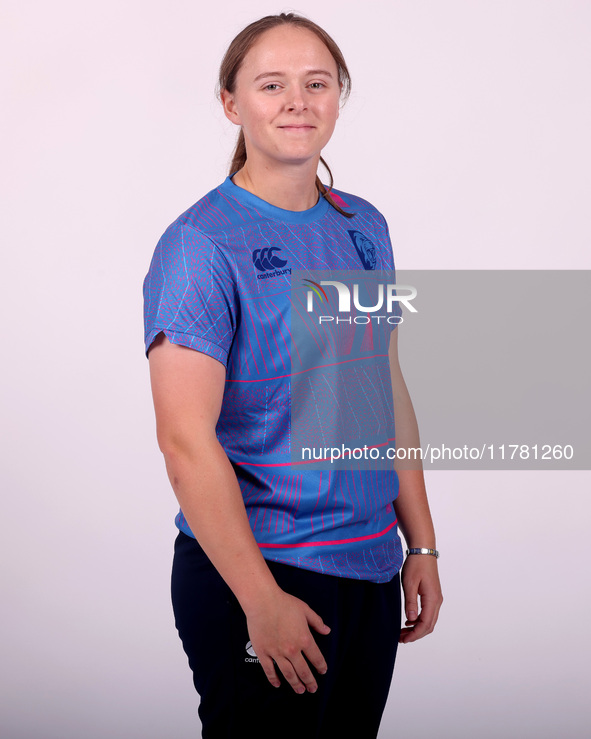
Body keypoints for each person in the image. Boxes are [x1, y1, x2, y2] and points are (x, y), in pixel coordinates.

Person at [143, 12, 442, 739]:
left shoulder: (362, 225)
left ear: (339, 96)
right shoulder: (199, 246)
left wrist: (420, 543)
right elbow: (185, 443)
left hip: (368, 568)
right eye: (270, 84)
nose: (296, 101)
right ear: (230, 103)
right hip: (264, 569)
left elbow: (384, 387)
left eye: (316, 83)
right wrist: (261, 598)